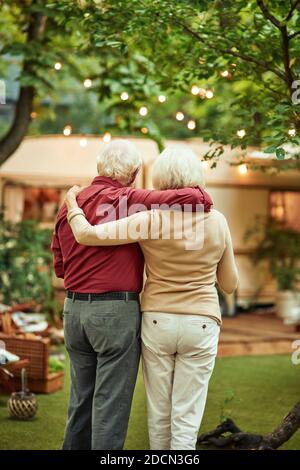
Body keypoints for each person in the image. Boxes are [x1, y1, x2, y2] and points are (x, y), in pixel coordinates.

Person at [65, 144, 239, 450]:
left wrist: (72, 205)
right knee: (186, 416)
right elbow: (229, 284)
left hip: (157, 320)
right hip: (201, 322)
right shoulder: (218, 221)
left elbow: (89, 235)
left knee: (159, 413)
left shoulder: (148, 218)